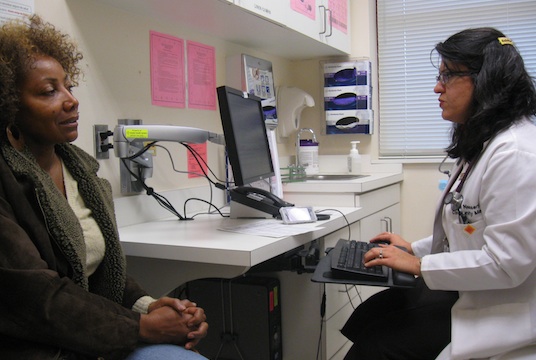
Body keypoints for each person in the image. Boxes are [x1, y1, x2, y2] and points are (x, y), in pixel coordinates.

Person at [0, 14, 209, 360]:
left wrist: (154, 306)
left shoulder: (81, 171)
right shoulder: (7, 180)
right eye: (49, 91)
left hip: (93, 340)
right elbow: (38, 297)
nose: (71, 100)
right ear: (9, 105)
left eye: (68, 86)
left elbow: (101, 275)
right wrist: (143, 327)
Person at [342, 27, 536, 360]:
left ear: (484, 79)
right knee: (371, 315)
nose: (437, 87)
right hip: (470, 290)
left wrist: (418, 264)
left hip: (505, 310)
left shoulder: (516, 154)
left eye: (448, 76)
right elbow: (469, 229)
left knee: (375, 346)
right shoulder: (486, 144)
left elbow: (507, 265)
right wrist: (412, 248)